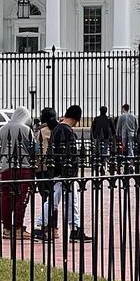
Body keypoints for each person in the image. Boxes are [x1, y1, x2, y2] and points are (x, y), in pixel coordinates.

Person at [32, 104, 90, 243]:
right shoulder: (65, 130)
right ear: (76, 118)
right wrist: (68, 172)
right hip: (64, 173)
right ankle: (41, 225)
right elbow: (65, 153)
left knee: (66, 201)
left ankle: (74, 228)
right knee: (57, 201)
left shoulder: (59, 129)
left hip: (60, 172)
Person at [0, 106, 35, 238]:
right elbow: (34, 149)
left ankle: (6, 228)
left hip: (6, 166)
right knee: (21, 198)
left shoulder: (2, 129)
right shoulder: (26, 130)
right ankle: (18, 227)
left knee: (6, 197)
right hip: (23, 166)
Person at [90, 105, 116, 174]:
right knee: (105, 151)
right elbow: (113, 129)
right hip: (106, 136)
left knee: (97, 150)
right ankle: (104, 165)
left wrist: (94, 135)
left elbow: (93, 128)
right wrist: (113, 135)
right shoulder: (109, 119)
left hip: (98, 136)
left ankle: (98, 164)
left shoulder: (96, 119)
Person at [116, 103, 138, 169]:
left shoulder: (121, 116)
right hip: (131, 133)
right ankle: (131, 161)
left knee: (124, 147)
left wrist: (117, 134)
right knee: (131, 147)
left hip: (124, 133)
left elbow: (118, 126)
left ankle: (125, 160)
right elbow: (136, 126)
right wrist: (135, 133)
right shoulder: (133, 116)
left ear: (123, 109)